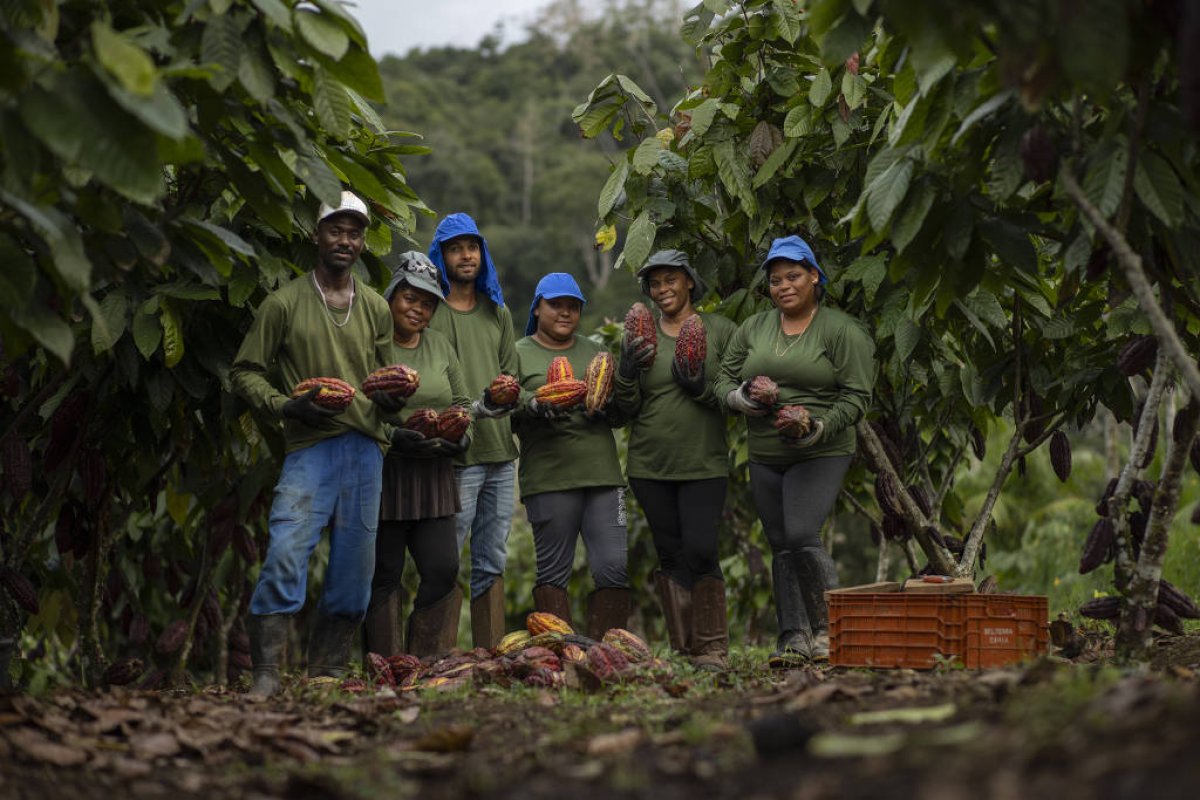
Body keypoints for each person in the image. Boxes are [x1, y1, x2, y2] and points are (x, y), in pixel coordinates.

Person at [231, 191, 395, 696]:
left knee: (354, 565)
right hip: (309, 447)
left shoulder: (375, 307)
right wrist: (285, 405)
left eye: (354, 233)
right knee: (286, 548)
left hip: (365, 448)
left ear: (363, 242)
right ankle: (266, 674)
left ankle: (328, 669)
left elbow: (385, 379)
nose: (345, 240)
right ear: (315, 235)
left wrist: (392, 401)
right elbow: (244, 371)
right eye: (335, 230)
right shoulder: (284, 303)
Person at [715, 235, 875, 667]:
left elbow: (858, 396)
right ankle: (793, 637)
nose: (783, 285)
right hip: (766, 451)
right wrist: (740, 400)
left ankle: (829, 631)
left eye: (793, 276)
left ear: (814, 277)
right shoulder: (754, 328)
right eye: (775, 279)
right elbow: (722, 379)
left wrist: (819, 427)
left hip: (820, 448)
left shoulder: (841, 330)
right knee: (781, 543)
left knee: (803, 534)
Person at [613, 250, 737, 670]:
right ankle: (686, 650)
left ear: (688, 282)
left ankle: (713, 646)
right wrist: (626, 371)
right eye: (655, 283)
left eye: (671, 280)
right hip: (650, 463)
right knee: (669, 555)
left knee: (701, 548)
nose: (662, 290)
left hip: (703, 461)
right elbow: (625, 408)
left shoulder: (717, 330)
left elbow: (731, 392)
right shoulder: (639, 336)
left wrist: (701, 387)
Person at [363, 252, 472, 660]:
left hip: (434, 472)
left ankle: (421, 659)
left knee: (443, 569)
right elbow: (360, 402)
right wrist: (394, 437)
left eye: (427, 303)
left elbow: (461, 402)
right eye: (410, 298)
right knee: (384, 574)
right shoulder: (372, 345)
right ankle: (383, 664)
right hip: (385, 471)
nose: (418, 308)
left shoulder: (440, 345)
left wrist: (460, 438)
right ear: (391, 297)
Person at [513, 273, 630, 638]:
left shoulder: (596, 352)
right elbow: (507, 410)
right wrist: (534, 405)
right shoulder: (518, 353)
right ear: (537, 308)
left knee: (614, 566)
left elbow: (621, 411)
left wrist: (608, 404)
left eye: (573, 307)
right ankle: (559, 651)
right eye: (556, 305)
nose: (565, 312)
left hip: (603, 478)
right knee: (552, 572)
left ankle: (609, 652)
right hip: (550, 478)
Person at [426, 213, 519, 649]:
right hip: (456, 455)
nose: (466, 255)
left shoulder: (497, 312)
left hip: (500, 454)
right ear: (441, 256)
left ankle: (490, 650)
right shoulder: (431, 311)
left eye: (472, 247)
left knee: (492, 558)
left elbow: (510, 377)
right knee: (445, 560)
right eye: (455, 248)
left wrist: (506, 396)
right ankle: (436, 651)